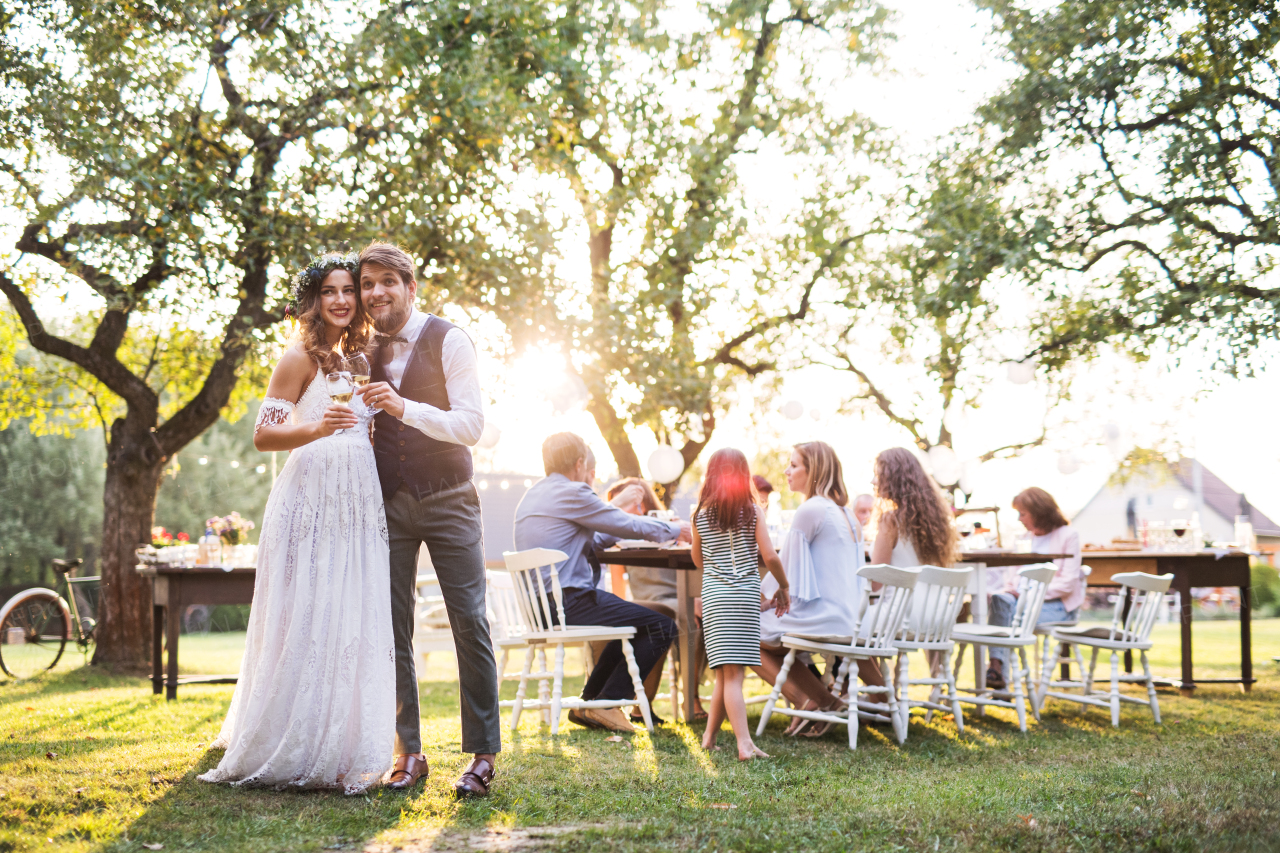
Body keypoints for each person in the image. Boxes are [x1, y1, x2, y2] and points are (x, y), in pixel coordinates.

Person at [199, 252, 394, 794]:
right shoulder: (297, 358)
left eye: (348, 291)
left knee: (347, 607)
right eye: (329, 291)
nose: (340, 300)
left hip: (355, 498)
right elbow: (264, 436)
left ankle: (344, 738)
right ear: (313, 301)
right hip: (311, 495)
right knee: (310, 606)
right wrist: (314, 428)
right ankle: (294, 735)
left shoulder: (352, 357)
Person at [353, 241, 498, 798]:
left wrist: (402, 407)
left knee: (470, 623)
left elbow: (470, 426)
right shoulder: (360, 347)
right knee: (392, 630)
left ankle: (482, 754)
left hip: (450, 497)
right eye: (368, 283)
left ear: (411, 289)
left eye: (388, 282)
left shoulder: (450, 339)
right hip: (387, 502)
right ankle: (408, 753)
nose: (375, 293)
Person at [513, 432, 691, 733]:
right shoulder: (572, 492)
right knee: (663, 625)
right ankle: (608, 703)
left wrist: (631, 529)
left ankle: (591, 704)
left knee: (639, 624)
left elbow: (597, 537)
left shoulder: (533, 496)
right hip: (568, 602)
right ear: (580, 463)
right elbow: (626, 523)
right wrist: (673, 529)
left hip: (541, 607)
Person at [755, 441, 874, 735]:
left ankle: (814, 701)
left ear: (815, 471)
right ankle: (820, 701)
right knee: (769, 628)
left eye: (794, 465)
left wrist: (760, 598)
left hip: (825, 616)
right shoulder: (846, 514)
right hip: (851, 616)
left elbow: (788, 568)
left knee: (741, 631)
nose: (786, 471)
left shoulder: (810, 509)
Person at [694, 449, 790, 760]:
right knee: (734, 674)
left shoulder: (700, 514)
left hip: (715, 595)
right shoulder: (751, 511)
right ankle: (744, 744)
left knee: (725, 671)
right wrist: (783, 586)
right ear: (743, 475)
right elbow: (771, 556)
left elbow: (698, 560)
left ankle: (709, 736)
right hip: (743, 595)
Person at [604, 478, 707, 722]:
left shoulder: (673, 527)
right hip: (647, 603)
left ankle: (690, 696)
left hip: (682, 597)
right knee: (666, 619)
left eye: (622, 504)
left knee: (693, 618)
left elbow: (697, 562)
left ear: (641, 501)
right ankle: (646, 704)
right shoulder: (618, 537)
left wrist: (698, 597)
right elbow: (618, 587)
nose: (615, 513)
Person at [986, 487, 1085, 689]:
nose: (1019, 519)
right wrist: (1011, 591)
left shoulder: (1068, 535)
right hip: (1019, 604)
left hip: (1057, 607)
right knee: (999, 601)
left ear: (1040, 512)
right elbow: (1012, 579)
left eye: (1023, 513)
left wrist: (1027, 594)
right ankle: (997, 671)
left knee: (1006, 617)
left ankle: (997, 672)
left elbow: (1067, 583)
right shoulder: (1024, 539)